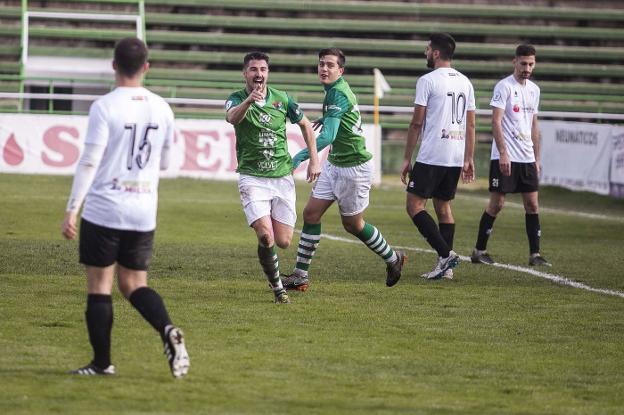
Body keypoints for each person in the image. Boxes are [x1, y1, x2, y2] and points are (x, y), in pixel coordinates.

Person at [61, 37, 189, 377]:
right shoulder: (163, 108)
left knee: (100, 286)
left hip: (105, 207)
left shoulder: (105, 106)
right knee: (134, 284)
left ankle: (102, 363)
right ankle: (166, 329)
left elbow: (89, 161)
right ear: (146, 67)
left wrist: (73, 208)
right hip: (143, 209)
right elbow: (165, 162)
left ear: (114, 65)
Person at [282, 48, 406, 291]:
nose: (324, 69)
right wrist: (327, 118)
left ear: (341, 70)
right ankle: (300, 275)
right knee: (311, 214)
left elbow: (327, 136)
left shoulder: (337, 93)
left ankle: (394, 258)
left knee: (353, 225)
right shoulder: (333, 91)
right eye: (321, 64)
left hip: (354, 167)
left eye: (330, 65)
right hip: (336, 164)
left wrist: (300, 157)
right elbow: (335, 125)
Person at [225, 52, 321, 304]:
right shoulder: (236, 99)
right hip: (252, 177)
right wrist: (248, 101)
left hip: (281, 177)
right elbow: (231, 118)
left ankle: (271, 265)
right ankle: (278, 288)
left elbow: (307, 126)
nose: (259, 74)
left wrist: (314, 159)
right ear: (245, 73)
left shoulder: (282, 98)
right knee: (266, 236)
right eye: (253, 69)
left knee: (283, 241)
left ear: (268, 73)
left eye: (263, 69)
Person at [400, 33, 476, 280]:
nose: (425, 52)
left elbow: (416, 123)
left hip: (433, 153)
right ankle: (447, 270)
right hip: (455, 154)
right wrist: (468, 158)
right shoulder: (466, 82)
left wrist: (406, 158)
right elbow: (471, 125)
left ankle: (446, 255)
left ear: (435, 53)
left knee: (414, 206)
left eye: (427, 48)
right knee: (444, 207)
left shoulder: (428, 80)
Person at [470, 44, 551, 267]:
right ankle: (479, 250)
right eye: (523, 63)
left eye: (531, 64)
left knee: (533, 205)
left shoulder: (534, 90)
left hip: (526, 158)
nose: (527, 68)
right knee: (497, 204)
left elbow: (534, 125)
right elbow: (495, 121)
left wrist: (536, 158)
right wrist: (503, 153)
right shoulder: (504, 87)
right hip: (505, 157)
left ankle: (535, 255)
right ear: (514, 62)